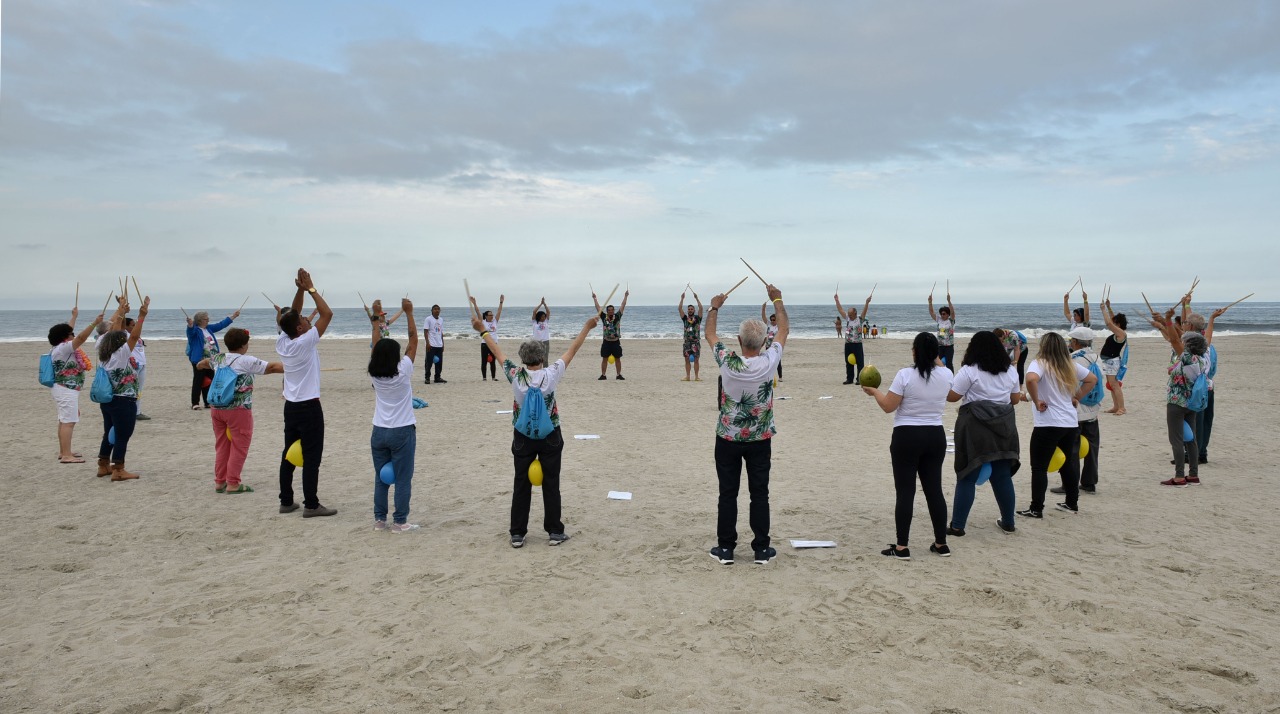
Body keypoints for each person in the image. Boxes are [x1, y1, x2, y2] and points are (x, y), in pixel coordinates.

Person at [471, 298, 598, 548]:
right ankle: (554, 531)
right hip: (551, 434)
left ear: (522, 358)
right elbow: (573, 350)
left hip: (522, 436)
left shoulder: (516, 375)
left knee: (521, 484)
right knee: (552, 483)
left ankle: (517, 533)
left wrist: (483, 331)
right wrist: (587, 327)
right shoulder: (551, 375)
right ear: (542, 356)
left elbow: (496, 351)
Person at [705, 283, 788, 566]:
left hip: (728, 437)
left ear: (739, 341)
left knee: (728, 492)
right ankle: (761, 549)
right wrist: (776, 299)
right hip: (759, 438)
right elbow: (785, 330)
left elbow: (709, 334)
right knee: (759, 493)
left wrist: (715, 306)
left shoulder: (728, 361)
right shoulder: (768, 361)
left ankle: (726, 548)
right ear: (764, 342)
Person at [863, 332, 954, 559]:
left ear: (914, 352)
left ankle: (902, 546)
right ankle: (941, 543)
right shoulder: (946, 374)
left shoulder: (905, 375)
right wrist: (933, 354)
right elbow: (939, 366)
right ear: (936, 354)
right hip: (935, 435)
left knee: (905, 491)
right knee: (934, 490)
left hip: (907, 435)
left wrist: (874, 391)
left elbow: (888, 406)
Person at [947, 331, 1022, 535]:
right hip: (1004, 425)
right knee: (1002, 476)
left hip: (975, 427)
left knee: (967, 475)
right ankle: (1008, 522)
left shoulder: (969, 370)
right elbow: (1014, 400)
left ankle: (957, 526)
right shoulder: (1010, 371)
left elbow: (952, 397)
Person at [276, 268, 337, 517]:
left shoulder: (284, 340)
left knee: (289, 453)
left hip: (291, 405)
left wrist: (299, 290)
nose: (306, 320)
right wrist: (311, 287)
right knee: (312, 457)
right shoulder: (304, 341)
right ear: (300, 330)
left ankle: (286, 501)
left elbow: (291, 315)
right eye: (303, 321)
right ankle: (311, 505)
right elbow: (327, 313)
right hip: (309, 406)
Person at [1017, 332, 1095, 518]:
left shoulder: (1040, 363)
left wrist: (1036, 401)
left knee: (1039, 467)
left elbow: (1030, 379)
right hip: (1069, 423)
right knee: (1068, 463)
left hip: (1048, 424)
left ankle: (1036, 508)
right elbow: (1092, 379)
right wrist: (1077, 397)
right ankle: (1071, 503)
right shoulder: (1069, 365)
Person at [199, 328, 284, 494]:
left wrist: (200, 364)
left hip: (217, 407)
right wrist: (298, 366)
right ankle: (233, 483)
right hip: (238, 410)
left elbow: (203, 363)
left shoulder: (219, 358)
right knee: (239, 446)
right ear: (244, 345)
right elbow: (273, 367)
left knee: (222, 445)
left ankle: (220, 482)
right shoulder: (246, 361)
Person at [369, 298, 420, 533]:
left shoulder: (374, 374)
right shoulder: (403, 371)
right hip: (401, 430)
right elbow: (413, 340)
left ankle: (380, 520)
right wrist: (409, 313)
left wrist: (376, 319)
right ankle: (400, 522)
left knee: (381, 477)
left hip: (379, 430)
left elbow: (376, 344)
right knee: (402, 479)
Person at [1151, 308, 1209, 485]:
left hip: (1177, 401)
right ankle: (1193, 474)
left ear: (1188, 345)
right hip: (1191, 402)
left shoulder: (1186, 358)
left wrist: (1167, 320)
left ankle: (1179, 476)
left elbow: (1175, 339)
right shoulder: (1201, 359)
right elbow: (1176, 338)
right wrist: (1163, 322)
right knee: (1191, 438)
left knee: (1176, 439)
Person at [96, 296, 149, 481]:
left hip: (109, 400)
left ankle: (103, 464)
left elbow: (112, 331)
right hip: (123, 399)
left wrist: (121, 311)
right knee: (122, 434)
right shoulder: (120, 354)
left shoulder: (103, 353)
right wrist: (142, 316)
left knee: (109, 430)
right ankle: (118, 469)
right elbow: (134, 336)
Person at [47, 307, 103, 464]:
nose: (73, 335)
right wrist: (94, 323)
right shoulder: (64, 348)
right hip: (66, 389)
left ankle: (64, 451)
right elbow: (81, 338)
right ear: (65, 338)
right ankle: (66, 455)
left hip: (63, 388)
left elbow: (71, 333)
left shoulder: (58, 348)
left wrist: (74, 317)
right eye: (70, 334)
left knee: (64, 420)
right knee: (69, 421)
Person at [1052, 327, 1102, 495]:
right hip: (1093, 408)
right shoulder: (1097, 357)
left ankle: (1069, 484)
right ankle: (1089, 482)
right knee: (1092, 447)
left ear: (1075, 342)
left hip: (1075, 410)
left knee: (1071, 448)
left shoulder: (1073, 360)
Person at [186, 309, 239, 410]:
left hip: (212, 360)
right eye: (206, 319)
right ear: (200, 320)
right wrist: (190, 325)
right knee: (198, 381)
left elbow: (221, 325)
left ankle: (207, 402)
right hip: (199, 360)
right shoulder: (195, 331)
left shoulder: (208, 328)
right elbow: (190, 331)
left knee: (210, 381)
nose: (208, 320)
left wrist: (233, 316)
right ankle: (195, 403)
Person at [835, 292, 871, 385]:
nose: (849, 316)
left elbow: (865, 311)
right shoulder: (847, 319)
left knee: (860, 362)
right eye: (849, 314)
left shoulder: (860, 319)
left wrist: (867, 303)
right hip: (848, 344)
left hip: (857, 344)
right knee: (848, 362)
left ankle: (859, 379)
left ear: (855, 313)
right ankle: (849, 379)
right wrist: (837, 300)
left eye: (851, 314)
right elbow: (840, 310)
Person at [1099, 301, 1129, 415]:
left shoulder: (1121, 334)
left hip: (1112, 361)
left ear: (1119, 324)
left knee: (1115, 385)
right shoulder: (1119, 332)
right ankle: (1116, 406)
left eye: (1115, 322)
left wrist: (1103, 310)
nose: (1113, 323)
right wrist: (1109, 307)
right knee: (1111, 385)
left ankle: (1122, 408)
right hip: (1107, 361)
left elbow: (1109, 323)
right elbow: (1112, 320)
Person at [593, 289, 629, 380]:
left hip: (615, 342)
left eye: (612, 310)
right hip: (606, 341)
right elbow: (597, 308)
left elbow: (623, 305)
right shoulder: (603, 317)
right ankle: (603, 375)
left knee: (618, 358)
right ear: (607, 311)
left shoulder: (617, 316)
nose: (610, 311)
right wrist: (595, 298)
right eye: (609, 310)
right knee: (604, 358)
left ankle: (618, 375)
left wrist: (625, 296)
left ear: (614, 310)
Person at [124, 318, 151, 420]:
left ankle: (137, 411)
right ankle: (128, 411)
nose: (134, 327)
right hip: (132, 365)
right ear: (125, 326)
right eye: (132, 325)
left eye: (135, 325)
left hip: (142, 364)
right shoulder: (125, 335)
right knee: (130, 389)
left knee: (139, 389)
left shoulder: (137, 335)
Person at [679, 289, 704, 381]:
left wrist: (697, 298)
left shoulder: (698, 318)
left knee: (696, 360)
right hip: (687, 342)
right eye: (689, 309)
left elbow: (701, 308)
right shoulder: (685, 318)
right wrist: (682, 298)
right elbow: (679, 309)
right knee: (686, 360)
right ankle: (688, 376)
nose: (690, 310)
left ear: (694, 310)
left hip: (695, 342)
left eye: (691, 309)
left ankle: (697, 377)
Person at [927, 291, 957, 370]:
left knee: (949, 363)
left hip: (949, 346)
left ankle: (950, 379)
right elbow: (931, 312)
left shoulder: (951, 320)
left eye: (944, 314)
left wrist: (949, 301)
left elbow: (953, 312)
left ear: (948, 314)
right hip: (940, 346)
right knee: (938, 364)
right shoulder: (939, 320)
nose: (942, 315)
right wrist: (930, 302)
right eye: (941, 314)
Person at [478, 295, 504, 381]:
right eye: (490, 315)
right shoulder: (483, 322)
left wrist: (501, 302)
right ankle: (484, 378)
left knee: (493, 361)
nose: (492, 316)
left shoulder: (495, 321)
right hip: (485, 344)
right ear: (486, 316)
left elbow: (499, 311)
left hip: (494, 344)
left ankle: (493, 377)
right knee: (484, 361)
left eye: (492, 314)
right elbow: (477, 312)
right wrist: (474, 304)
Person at [423, 304, 446, 384]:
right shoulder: (428, 319)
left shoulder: (441, 320)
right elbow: (425, 331)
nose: (437, 310)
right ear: (432, 310)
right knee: (428, 362)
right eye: (435, 309)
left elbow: (441, 332)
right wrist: (427, 343)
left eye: (438, 309)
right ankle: (427, 378)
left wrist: (443, 344)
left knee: (439, 363)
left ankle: (437, 377)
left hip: (439, 344)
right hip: (431, 344)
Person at [761, 304, 782, 381]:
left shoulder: (778, 326)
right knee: (769, 360)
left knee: (778, 361)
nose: (772, 321)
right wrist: (763, 309)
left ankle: (780, 377)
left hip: (776, 345)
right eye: (772, 319)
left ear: (776, 320)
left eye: (774, 319)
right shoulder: (769, 324)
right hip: (768, 345)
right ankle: (769, 376)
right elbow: (763, 317)